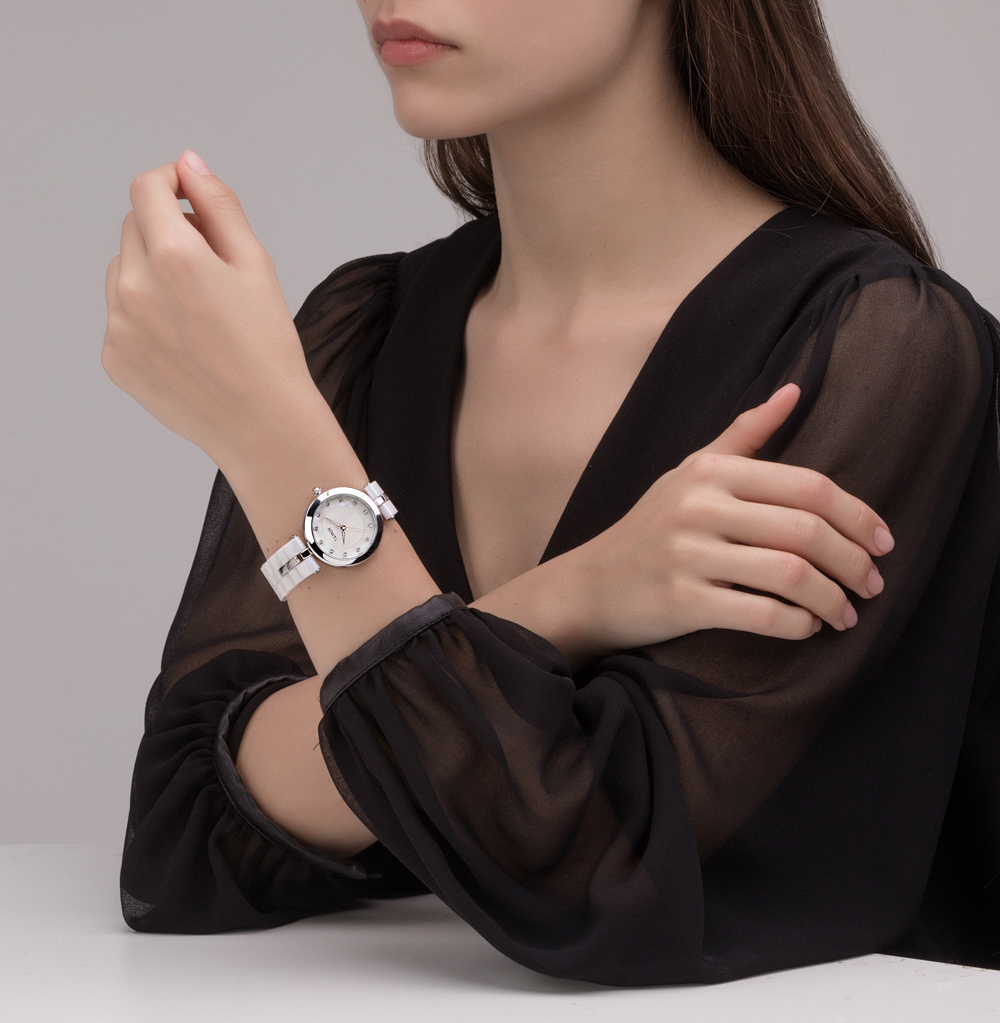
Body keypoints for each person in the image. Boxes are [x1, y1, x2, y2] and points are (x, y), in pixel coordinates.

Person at [104, 0, 1000, 986]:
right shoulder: (370, 331)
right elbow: (192, 831)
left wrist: (274, 440)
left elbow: (583, 872)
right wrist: (570, 596)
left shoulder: (872, 346)